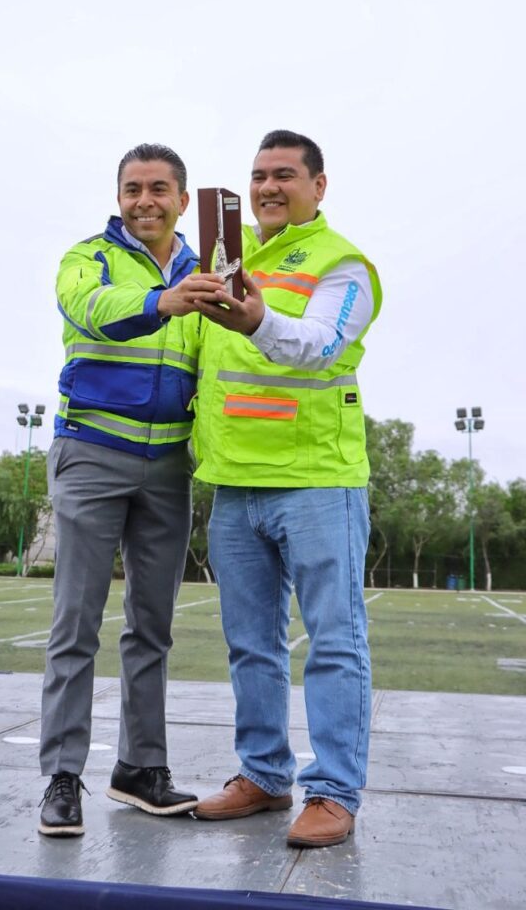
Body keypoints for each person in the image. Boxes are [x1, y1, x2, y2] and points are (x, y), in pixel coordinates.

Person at [189, 129, 382, 848]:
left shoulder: (343, 264)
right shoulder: (224, 257)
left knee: (334, 641)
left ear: (317, 186)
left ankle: (332, 793)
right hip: (234, 483)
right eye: (259, 175)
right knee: (251, 645)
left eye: (285, 175)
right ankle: (264, 776)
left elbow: (320, 345)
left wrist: (259, 318)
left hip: (316, 481)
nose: (268, 187)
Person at [38, 143, 222, 837]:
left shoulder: (208, 269)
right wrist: (160, 301)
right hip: (91, 453)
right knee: (76, 625)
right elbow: (89, 307)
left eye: (158, 189)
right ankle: (62, 777)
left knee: (153, 627)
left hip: (169, 465)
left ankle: (141, 769)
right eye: (132, 188)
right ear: (119, 197)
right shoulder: (88, 256)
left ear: (182, 198)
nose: (144, 200)